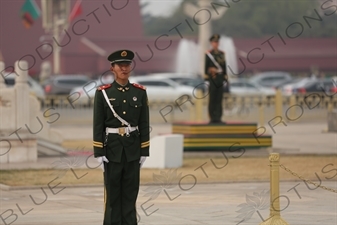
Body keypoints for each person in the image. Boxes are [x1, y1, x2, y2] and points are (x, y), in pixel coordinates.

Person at [93, 49, 150, 225]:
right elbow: (98, 124)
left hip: (132, 150)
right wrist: (98, 151)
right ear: (112, 68)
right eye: (120, 65)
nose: (124, 69)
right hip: (112, 151)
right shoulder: (103, 93)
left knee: (130, 194)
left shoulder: (139, 92)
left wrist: (144, 150)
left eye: (127, 65)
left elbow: (144, 123)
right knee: (112, 195)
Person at [204, 34, 227, 124]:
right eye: (214, 42)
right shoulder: (208, 54)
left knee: (219, 98)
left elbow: (224, 67)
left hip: (220, 79)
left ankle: (218, 117)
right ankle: (212, 117)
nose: (216, 44)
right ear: (211, 43)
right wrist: (208, 74)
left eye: (217, 42)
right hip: (213, 79)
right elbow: (206, 68)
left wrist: (225, 77)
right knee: (212, 98)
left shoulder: (222, 54)